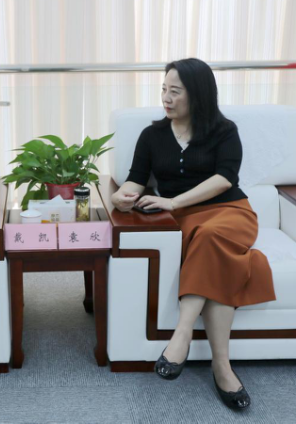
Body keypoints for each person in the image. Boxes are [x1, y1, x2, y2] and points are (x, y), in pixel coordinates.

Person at [110, 58, 275, 410]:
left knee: (211, 236)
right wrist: (120, 197)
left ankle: (181, 335)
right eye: (163, 90)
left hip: (231, 213)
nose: (166, 98)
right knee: (213, 249)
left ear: (197, 94)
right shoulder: (152, 135)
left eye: (175, 91)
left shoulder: (224, 131)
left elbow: (225, 179)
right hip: (184, 222)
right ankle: (222, 367)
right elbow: (135, 179)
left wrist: (172, 201)